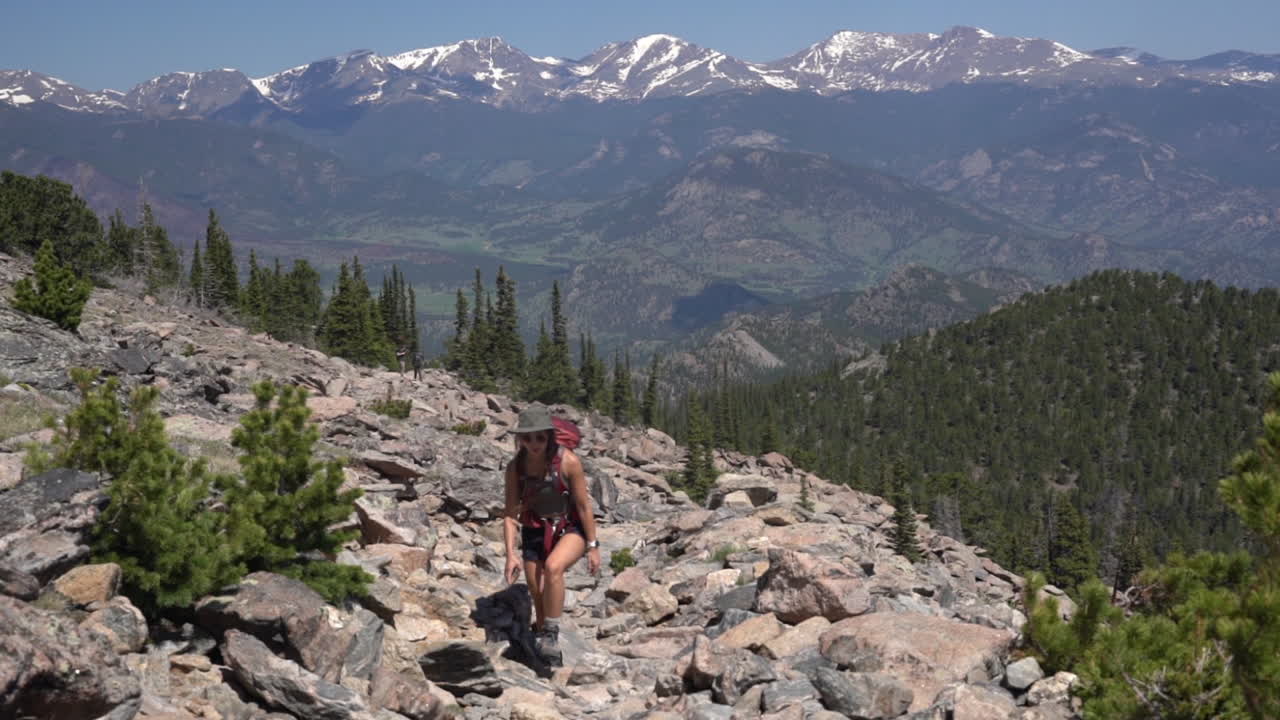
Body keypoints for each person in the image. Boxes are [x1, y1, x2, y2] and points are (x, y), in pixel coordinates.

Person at [503, 406, 600, 666]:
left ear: (549, 436)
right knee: (536, 590)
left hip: (570, 527)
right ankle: (549, 652)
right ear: (520, 439)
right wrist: (511, 554)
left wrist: (592, 546)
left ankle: (551, 635)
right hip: (535, 528)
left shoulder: (568, 462)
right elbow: (510, 514)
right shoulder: (516, 467)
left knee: (554, 567)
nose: (534, 444)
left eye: (540, 438)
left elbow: (583, 506)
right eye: (527, 438)